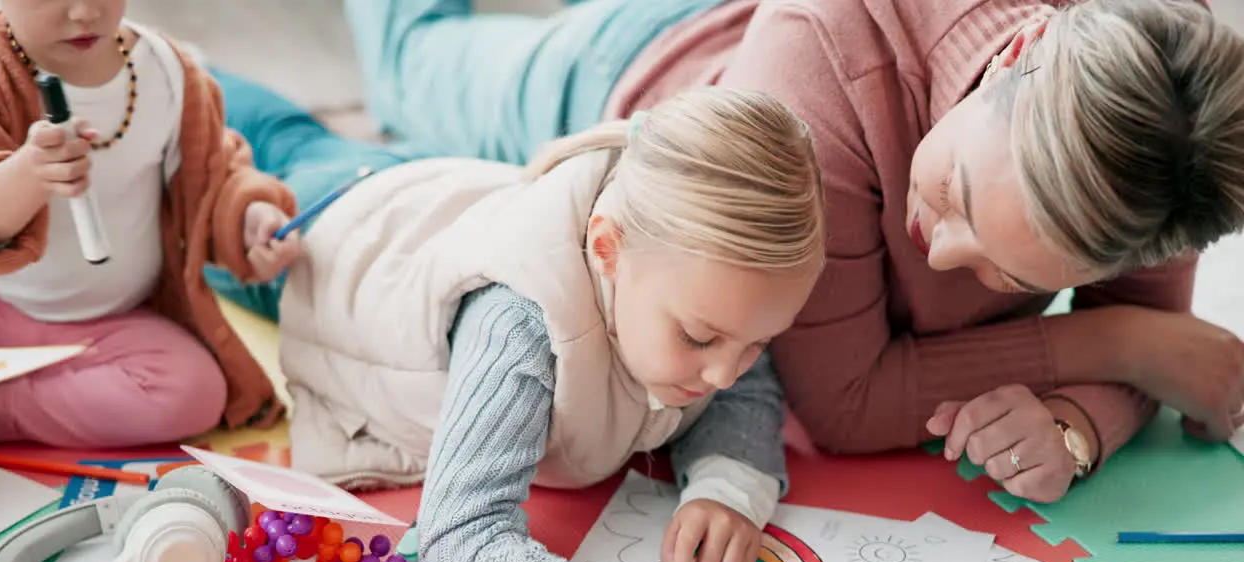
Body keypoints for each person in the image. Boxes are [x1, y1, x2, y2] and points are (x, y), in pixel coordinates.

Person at [338, 0, 1244, 504]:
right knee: (412, 65)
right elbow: (842, 402)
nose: (940, 253)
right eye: (959, 196)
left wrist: (1079, 426)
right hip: (634, 73)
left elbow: (1166, 338)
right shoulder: (825, 84)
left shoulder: (1146, 148)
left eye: (1012, 276)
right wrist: (1121, 350)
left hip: (750, 44)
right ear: (1022, 45)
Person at [207, 70, 825, 562]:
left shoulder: (697, 286)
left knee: (299, 137)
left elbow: (747, 387)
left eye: (758, 342)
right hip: (326, 238)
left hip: (425, 197)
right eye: (698, 338)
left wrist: (728, 487)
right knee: (191, 173)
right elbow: (460, 539)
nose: (724, 373)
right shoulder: (520, 322)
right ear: (607, 252)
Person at [0, 0, 302, 448]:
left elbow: (215, 178)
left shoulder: (166, 73)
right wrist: (28, 175)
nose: (84, 12)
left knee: (195, 392)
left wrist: (250, 220)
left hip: (112, 325)